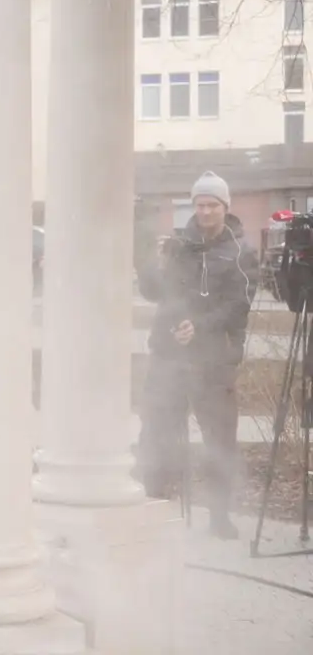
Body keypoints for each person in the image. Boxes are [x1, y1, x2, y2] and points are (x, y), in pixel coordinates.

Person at [136, 171, 257, 540]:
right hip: (169, 354)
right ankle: (152, 507)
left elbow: (238, 304)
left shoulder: (241, 251)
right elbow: (156, 293)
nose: (204, 211)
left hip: (215, 359)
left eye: (212, 205)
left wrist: (199, 327)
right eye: (200, 204)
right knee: (157, 432)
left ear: (225, 206)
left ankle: (219, 516)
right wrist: (152, 262)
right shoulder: (179, 246)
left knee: (219, 439)